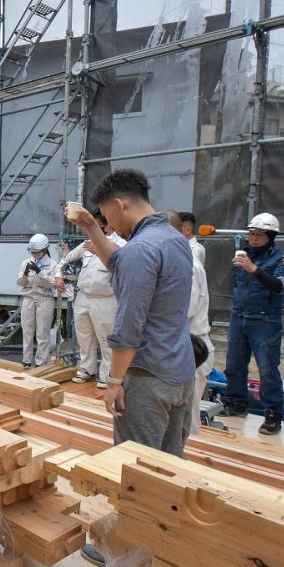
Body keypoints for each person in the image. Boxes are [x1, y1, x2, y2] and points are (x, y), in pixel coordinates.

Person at [68, 170, 194, 457]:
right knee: (170, 464)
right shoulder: (174, 240)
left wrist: (113, 382)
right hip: (180, 372)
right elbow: (120, 260)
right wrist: (91, 227)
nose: (108, 225)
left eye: (106, 217)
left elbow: (129, 327)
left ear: (119, 204)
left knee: (137, 469)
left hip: (148, 377)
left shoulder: (141, 249)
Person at [221, 212, 284, 435]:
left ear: (271, 237)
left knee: (267, 369)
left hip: (265, 321)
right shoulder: (242, 255)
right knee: (234, 365)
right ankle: (235, 404)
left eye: (259, 235)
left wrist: (254, 269)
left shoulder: (282, 259)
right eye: (251, 234)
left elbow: (279, 286)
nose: (253, 239)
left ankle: (272, 415)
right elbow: (239, 286)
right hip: (239, 316)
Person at [56, 213, 124, 386]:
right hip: (84, 297)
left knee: (107, 340)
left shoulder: (120, 245)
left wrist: (101, 252)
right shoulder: (87, 244)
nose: (95, 230)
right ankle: (86, 369)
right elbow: (66, 259)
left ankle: (106, 376)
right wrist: (58, 275)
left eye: (99, 226)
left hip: (106, 300)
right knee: (84, 337)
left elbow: (123, 268)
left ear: (109, 226)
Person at [168, 211, 215, 436]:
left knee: (186, 417)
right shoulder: (178, 260)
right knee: (176, 415)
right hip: (179, 345)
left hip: (190, 346)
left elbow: (182, 310)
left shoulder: (186, 265)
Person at [17, 234, 58, 369]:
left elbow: (51, 284)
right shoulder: (26, 262)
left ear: (45, 250)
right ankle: (26, 360)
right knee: (27, 331)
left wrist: (40, 272)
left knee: (42, 332)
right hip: (28, 298)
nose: (34, 254)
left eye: (37, 252)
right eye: (32, 252)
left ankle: (41, 362)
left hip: (44, 299)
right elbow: (20, 282)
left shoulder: (52, 265)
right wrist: (25, 274)